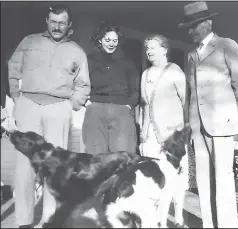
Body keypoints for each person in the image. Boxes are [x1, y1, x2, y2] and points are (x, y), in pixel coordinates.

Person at [8, 4, 91, 228]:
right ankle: (24, 221)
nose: (57, 26)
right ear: (47, 21)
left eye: (62, 23)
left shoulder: (77, 51)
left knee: (55, 167)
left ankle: (49, 220)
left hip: (58, 108)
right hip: (29, 104)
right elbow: (12, 68)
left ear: (69, 25)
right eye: (53, 22)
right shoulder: (29, 41)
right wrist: (17, 97)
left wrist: (71, 104)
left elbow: (83, 84)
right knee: (24, 166)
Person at [178, 2, 238, 228]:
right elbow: (190, 94)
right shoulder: (191, 55)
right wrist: (189, 125)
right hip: (198, 129)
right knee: (203, 181)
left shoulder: (226, 46)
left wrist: (234, 114)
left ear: (207, 23)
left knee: (223, 179)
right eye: (188, 27)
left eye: (193, 26)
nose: (189, 31)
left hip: (222, 125)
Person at [139, 34, 189, 228]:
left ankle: (178, 218)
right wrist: (143, 131)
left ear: (165, 49)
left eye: (153, 47)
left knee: (176, 176)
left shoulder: (175, 71)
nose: (149, 51)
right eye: (147, 48)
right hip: (151, 132)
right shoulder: (145, 74)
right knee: (154, 175)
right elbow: (144, 105)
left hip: (173, 135)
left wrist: (182, 131)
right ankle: (158, 220)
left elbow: (186, 102)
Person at [82, 21, 140, 155]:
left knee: (123, 156)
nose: (111, 43)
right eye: (107, 40)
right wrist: (87, 102)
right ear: (100, 40)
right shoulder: (90, 60)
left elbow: (136, 89)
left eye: (115, 40)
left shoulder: (127, 62)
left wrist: (128, 106)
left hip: (121, 111)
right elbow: (81, 82)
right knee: (96, 157)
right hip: (95, 110)